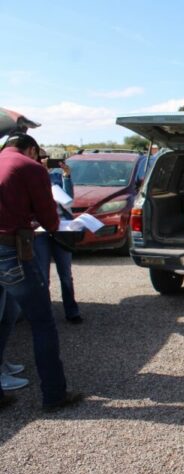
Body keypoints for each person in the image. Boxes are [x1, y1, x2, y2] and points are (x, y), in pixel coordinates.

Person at [0, 133, 81, 411]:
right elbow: (50, 218)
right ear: (32, 150)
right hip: (11, 250)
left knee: (5, 317)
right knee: (42, 322)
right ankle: (54, 394)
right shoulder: (30, 167)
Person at [35, 149, 83, 323]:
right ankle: (44, 314)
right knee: (42, 275)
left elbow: (68, 198)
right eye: (40, 158)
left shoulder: (56, 177)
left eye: (46, 158)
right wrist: (43, 173)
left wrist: (66, 176)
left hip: (61, 228)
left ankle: (72, 311)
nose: (44, 161)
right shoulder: (31, 177)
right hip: (40, 231)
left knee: (65, 274)